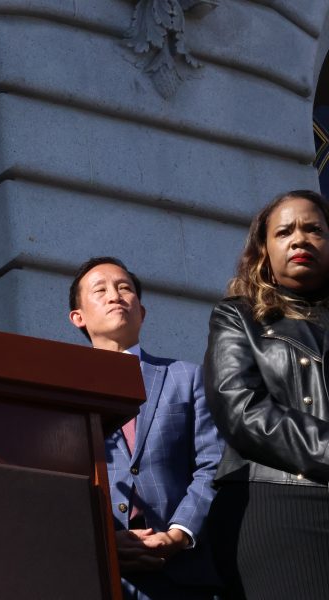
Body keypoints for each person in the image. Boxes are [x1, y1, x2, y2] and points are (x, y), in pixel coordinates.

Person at [68, 257, 222, 599]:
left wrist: (179, 533)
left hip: (182, 574)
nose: (115, 296)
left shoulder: (186, 377)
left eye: (125, 288)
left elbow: (213, 464)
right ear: (77, 317)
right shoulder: (65, 389)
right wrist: (102, 536)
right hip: (100, 574)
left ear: (142, 311)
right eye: (101, 290)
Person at [204, 190, 329, 600]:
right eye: (284, 231)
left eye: (314, 230)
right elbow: (240, 409)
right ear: (264, 251)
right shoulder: (237, 316)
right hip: (280, 505)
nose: (300, 239)